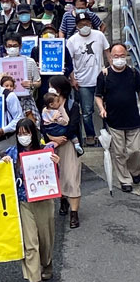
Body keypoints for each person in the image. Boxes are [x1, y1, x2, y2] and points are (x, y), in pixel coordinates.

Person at [2, 118, 60, 282]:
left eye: (26, 133)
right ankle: (34, 280)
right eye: (19, 134)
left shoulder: (45, 151)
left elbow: (54, 174)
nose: (23, 137)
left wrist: (55, 163)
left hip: (44, 200)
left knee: (45, 238)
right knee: (30, 242)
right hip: (24, 201)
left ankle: (47, 263)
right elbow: (4, 176)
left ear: (33, 134)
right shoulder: (12, 153)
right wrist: (3, 164)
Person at [95, 43, 140, 192]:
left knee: (135, 150)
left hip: (133, 119)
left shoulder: (133, 73)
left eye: (122, 56)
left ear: (126, 55)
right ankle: (125, 180)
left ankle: (134, 171)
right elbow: (98, 96)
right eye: (116, 56)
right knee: (119, 152)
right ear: (110, 57)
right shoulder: (104, 75)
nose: (119, 59)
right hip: (114, 120)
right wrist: (101, 109)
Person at [45, 76, 83, 229]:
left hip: (68, 145)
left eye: (51, 86)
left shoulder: (73, 105)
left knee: (72, 176)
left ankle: (74, 214)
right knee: (58, 175)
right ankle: (63, 201)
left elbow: (73, 125)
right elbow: (42, 125)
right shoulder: (47, 103)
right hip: (52, 143)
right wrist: (52, 138)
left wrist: (63, 138)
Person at [67, 12, 110, 145]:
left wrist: (111, 68)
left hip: (100, 78)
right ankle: (90, 135)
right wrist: (72, 79)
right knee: (86, 111)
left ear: (91, 24)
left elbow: (107, 52)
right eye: (81, 24)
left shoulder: (99, 35)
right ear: (76, 26)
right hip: (83, 81)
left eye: (86, 23)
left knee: (105, 108)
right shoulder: (72, 41)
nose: (84, 26)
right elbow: (69, 62)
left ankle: (107, 133)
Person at [0, 33, 41, 125]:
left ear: (20, 46)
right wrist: (0, 80)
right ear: (5, 47)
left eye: (15, 46)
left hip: (26, 100)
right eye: (9, 46)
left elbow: (38, 82)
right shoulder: (0, 64)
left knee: (33, 126)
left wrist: (31, 84)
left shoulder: (30, 62)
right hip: (7, 101)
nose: (12, 48)